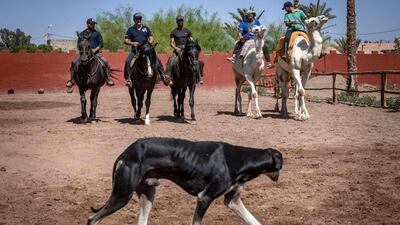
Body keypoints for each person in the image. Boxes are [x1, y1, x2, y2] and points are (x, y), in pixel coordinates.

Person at [66, 18, 114, 93]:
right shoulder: (82, 34)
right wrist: (83, 52)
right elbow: (79, 45)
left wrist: (95, 49)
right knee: (74, 62)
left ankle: (108, 79)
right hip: (84, 53)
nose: (93, 25)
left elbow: (101, 44)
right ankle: (72, 81)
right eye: (92, 24)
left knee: (105, 61)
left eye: (94, 24)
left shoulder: (97, 33)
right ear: (88, 24)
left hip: (96, 53)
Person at [124, 12, 170, 87]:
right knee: (128, 61)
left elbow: (151, 37)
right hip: (136, 50)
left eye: (140, 18)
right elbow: (125, 40)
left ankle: (164, 77)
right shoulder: (130, 30)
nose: (139, 20)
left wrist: (150, 42)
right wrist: (132, 43)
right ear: (134, 19)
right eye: (137, 18)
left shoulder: (146, 28)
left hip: (146, 50)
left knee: (158, 60)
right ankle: (128, 79)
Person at [166, 16, 203, 84]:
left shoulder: (187, 31)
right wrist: (176, 48)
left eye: (182, 20)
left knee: (197, 61)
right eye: (179, 21)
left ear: (183, 21)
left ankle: (199, 77)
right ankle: (168, 77)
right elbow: (171, 43)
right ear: (177, 22)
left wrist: (193, 44)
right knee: (171, 59)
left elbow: (191, 40)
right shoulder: (173, 32)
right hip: (178, 49)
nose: (181, 22)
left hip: (187, 49)